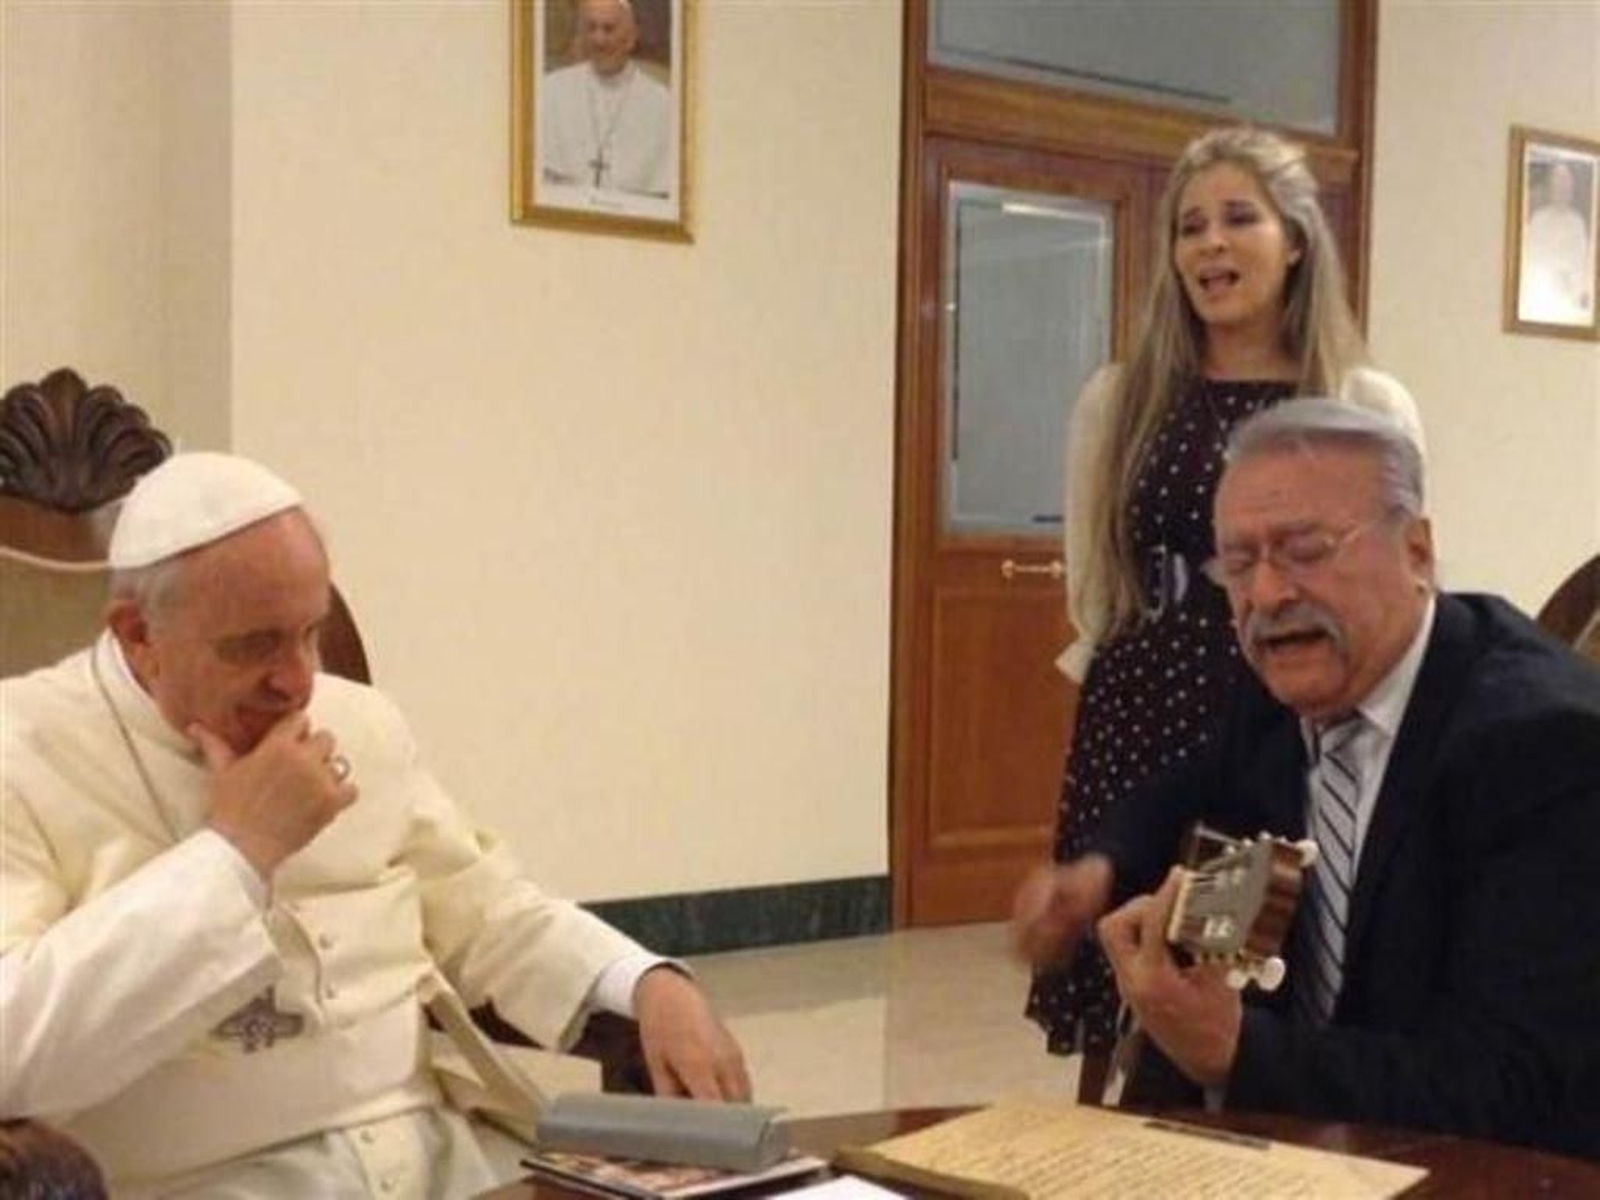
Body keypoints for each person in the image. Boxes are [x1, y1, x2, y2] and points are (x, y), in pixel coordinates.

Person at [0, 453, 750, 1197]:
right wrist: (236, 855)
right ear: (138, 635)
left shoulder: (360, 721)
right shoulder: (20, 749)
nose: (298, 682)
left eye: (309, 633)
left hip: (448, 1162)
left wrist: (645, 983)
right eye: (254, 644)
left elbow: (487, 913)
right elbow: (12, 1047)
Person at [1036, 399, 1600, 1156]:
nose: (1267, 595)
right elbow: (1197, 780)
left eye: (1305, 550)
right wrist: (1100, 867)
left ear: (1417, 550)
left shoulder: (1544, 744)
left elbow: (1510, 1088)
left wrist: (1233, 1050)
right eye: (1238, 564)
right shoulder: (1284, 689)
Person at [1014, 126, 1425, 1069]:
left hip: (1288, 717)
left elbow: (1396, 584)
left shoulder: (1361, 398)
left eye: (1239, 219)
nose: (1210, 245)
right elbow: (1097, 581)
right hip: (1142, 711)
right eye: (1190, 227)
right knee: (1126, 973)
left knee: (1263, 980)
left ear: (1296, 241)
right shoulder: (1122, 398)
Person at [541, 0, 672, 197]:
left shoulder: (662, 104)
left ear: (631, 38)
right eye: (591, 28)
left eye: (608, 29)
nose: (598, 40)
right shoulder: (551, 89)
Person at [1519, 159, 1594, 324]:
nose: (1562, 188)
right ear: (1551, 187)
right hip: (1540, 299)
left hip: (1570, 299)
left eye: (1566, 183)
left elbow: (1582, 263)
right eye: (1558, 182)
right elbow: (1530, 259)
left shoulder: (1577, 223)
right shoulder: (1538, 220)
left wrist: (1571, 284)